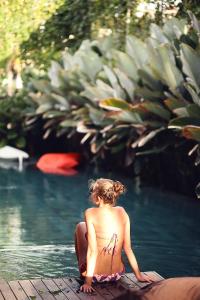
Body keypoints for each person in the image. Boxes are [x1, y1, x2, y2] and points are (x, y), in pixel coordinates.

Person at [74, 178, 153, 293]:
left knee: (80, 227)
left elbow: (93, 251)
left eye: (93, 193)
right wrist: (139, 275)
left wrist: (88, 283)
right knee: (86, 229)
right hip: (117, 274)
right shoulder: (122, 211)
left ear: (99, 198)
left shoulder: (90, 213)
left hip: (95, 277)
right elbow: (128, 248)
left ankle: (84, 272)